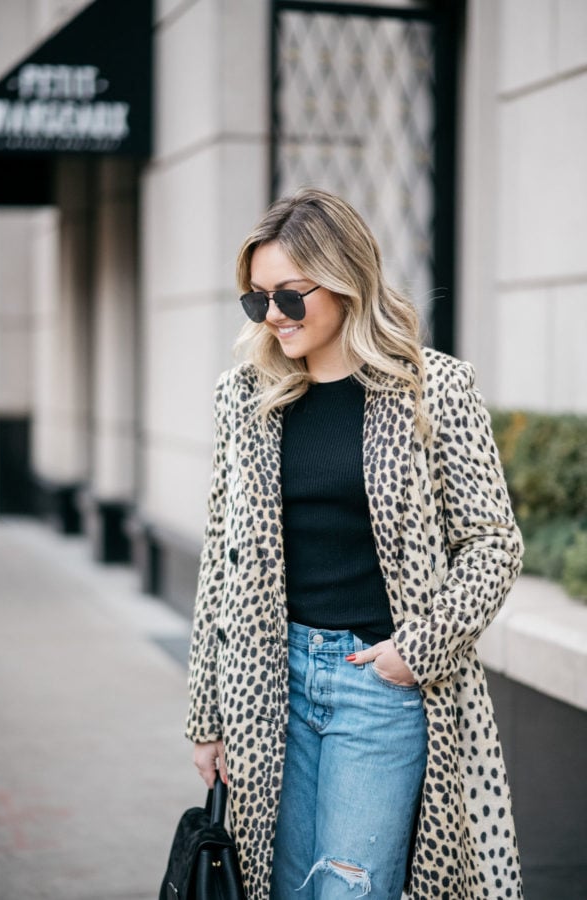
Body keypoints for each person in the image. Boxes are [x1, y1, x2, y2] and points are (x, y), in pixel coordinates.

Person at [185, 188, 524, 900]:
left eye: (289, 296)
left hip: (379, 685)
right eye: (256, 299)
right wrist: (206, 717)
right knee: (282, 888)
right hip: (268, 687)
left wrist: (415, 651)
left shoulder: (434, 389)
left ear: (345, 282)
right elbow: (220, 560)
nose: (272, 315)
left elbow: (494, 543)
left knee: (349, 890)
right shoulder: (242, 397)